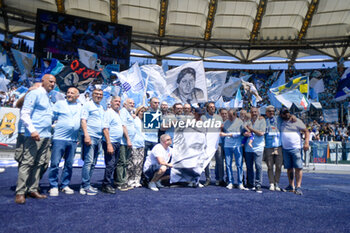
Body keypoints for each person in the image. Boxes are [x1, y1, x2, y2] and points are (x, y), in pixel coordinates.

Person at [15, 74, 56, 204]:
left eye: (54, 82)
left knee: (39, 164)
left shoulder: (48, 97)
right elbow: (25, 113)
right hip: (35, 135)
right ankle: (20, 192)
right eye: (50, 81)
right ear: (42, 81)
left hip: (46, 135)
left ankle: (32, 189)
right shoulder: (35, 93)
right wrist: (32, 130)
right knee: (27, 163)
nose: (52, 84)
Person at [48, 87, 82, 196]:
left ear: (78, 96)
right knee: (55, 163)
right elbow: (50, 117)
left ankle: (64, 184)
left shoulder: (81, 107)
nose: (69, 94)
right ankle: (53, 185)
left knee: (69, 164)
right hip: (59, 138)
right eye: (68, 92)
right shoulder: (59, 104)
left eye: (72, 93)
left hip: (72, 140)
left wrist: (78, 138)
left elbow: (82, 123)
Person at [101, 96, 131, 194]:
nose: (118, 103)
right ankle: (106, 185)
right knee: (110, 164)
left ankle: (111, 182)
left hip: (117, 142)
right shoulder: (108, 113)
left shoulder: (117, 114)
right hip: (111, 142)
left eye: (119, 101)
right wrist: (109, 144)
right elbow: (105, 128)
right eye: (116, 101)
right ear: (111, 102)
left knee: (114, 164)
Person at [80, 88, 104, 195]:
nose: (98, 96)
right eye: (96, 94)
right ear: (92, 95)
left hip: (98, 137)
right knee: (88, 162)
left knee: (93, 163)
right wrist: (86, 135)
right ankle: (85, 185)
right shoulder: (87, 105)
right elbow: (83, 120)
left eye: (100, 94)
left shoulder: (101, 107)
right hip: (90, 136)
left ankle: (87, 183)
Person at [280, 107, 309, 195]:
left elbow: (306, 131)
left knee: (298, 167)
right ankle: (291, 185)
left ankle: (298, 186)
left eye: (288, 112)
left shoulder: (296, 121)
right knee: (289, 168)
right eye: (284, 113)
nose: (287, 114)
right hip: (285, 149)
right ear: (281, 114)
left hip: (296, 148)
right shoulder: (280, 121)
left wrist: (306, 143)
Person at [221, 109, 247, 190]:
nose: (229, 117)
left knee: (239, 165)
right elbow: (221, 133)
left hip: (237, 146)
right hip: (227, 146)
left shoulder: (240, 122)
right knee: (228, 165)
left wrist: (226, 134)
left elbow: (239, 134)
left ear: (235, 115)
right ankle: (230, 182)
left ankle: (240, 183)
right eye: (229, 115)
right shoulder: (225, 123)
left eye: (231, 115)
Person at [201, 102, 224, 186]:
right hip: (207, 142)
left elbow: (221, 128)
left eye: (213, 107)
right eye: (210, 107)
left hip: (217, 142)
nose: (212, 108)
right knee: (207, 161)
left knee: (220, 161)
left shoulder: (219, 117)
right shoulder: (203, 117)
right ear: (207, 109)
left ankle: (220, 179)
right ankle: (208, 178)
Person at [244, 107, 266, 193]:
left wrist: (251, 129)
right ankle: (250, 184)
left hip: (258, 147)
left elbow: (261, 133)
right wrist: (245, 133)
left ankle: (258, 184)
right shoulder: (247, 122)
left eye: (255, 112)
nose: (254, 113)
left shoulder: (262, 121)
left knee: (258, 166)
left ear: (258, 113)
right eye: (252, 112)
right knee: (249, 167)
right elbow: (243, 131)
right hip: (248, 148)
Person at [115, 98, 135, 191]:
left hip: (128, 142)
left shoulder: (129, 113)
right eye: (130, 103)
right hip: (124, 142)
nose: (132, 104)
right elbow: (123, 126)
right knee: (122, 162)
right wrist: (128, 139)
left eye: (133, 103)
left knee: (125, 162)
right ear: (124, 104)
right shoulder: (123, 111)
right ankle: (119, 182)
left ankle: (123, 180)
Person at [264, 105, 283, 191]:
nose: (272, 113)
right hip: (268, 147)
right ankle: (271, 183)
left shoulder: (278, 120)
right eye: (270, 111)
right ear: (266, 113)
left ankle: (277, 183)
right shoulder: (264, 121)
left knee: (279, 166)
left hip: (278, 147)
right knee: (270, 166)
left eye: (273, 111)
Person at [127, 105, 147, 188]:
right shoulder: (134, 119)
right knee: (132, 163)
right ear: (138, 112)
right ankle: (130, 180)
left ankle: (137, 180)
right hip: (134, 144)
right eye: (141, 111)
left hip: (142, 144)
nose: (143, 113)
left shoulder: (145, 122)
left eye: (144, 112)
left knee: (139, 164)